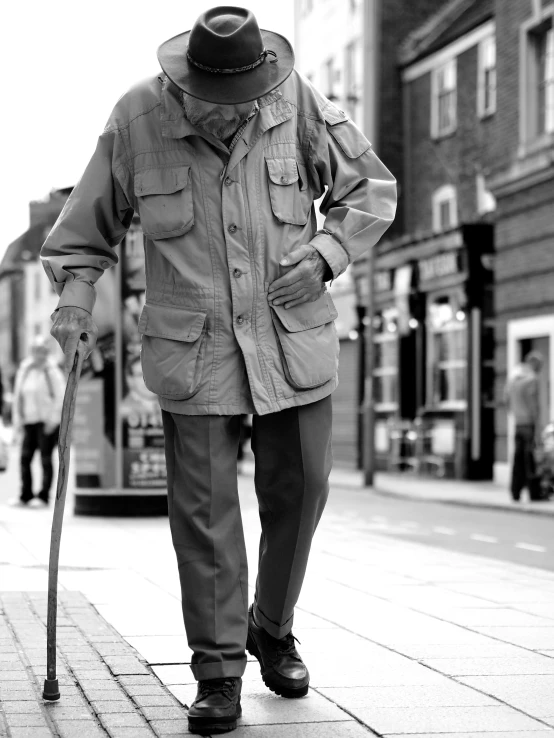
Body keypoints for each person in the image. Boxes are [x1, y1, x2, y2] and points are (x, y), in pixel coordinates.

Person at [41, 7, 396, 734]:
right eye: (217, 101)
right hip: (192, 343)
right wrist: (75, 303)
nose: (235, 113)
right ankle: (218, 670)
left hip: (290, 334)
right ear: (185, 82)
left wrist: (327, 256)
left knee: (302, 488)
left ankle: (272, 625)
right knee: (204, 516)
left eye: (247, 98)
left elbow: (370, 191)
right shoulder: (135, 117)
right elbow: (83, 232)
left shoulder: (295, 100)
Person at [11, 336, 65, 506]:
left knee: (45, 459)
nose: (38, 355)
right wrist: (17, 421)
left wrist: (53, 420)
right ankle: (25, 494)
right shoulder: (25, 370)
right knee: (25, 458)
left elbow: (60, 397)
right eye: (35, 351)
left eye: (42, 351)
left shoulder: (52, 372)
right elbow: (17, 397)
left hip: (46, 422)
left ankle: (43, 496)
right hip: (28, 421)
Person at [505, 351, 543, 502]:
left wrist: (514, 413)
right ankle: (534, 493)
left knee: (517, 458)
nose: (540, 370)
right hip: (528, 423)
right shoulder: (532, 379)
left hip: (517, 423)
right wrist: (537, 424)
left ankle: (515, 492)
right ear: (534, 364)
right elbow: (534, 405)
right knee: (531, 459)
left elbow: (506, 399)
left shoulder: (513, 377)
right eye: (540, 366)